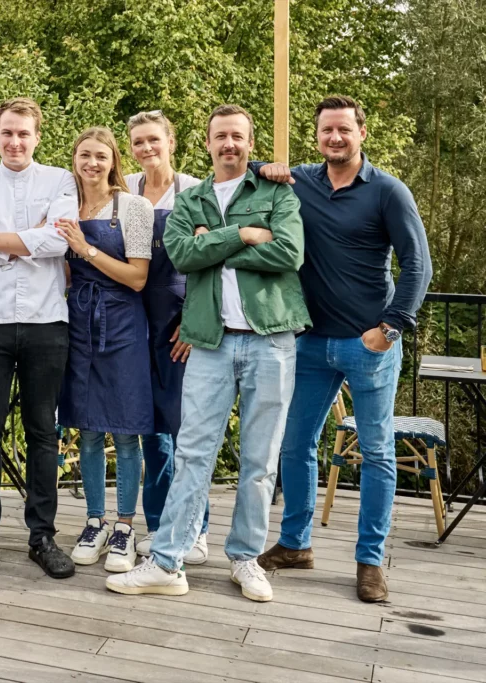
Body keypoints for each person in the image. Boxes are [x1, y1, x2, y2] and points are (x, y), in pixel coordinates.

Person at [106, 104, 310, 603]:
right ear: (206, 143)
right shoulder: (191, 200)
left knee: (260, 459)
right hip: (211, 342)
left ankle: (245, 559)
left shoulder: (276, 193)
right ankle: (168, 562)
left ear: (250, 141)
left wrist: (213, 245)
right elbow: (182, 255)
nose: (229, 145)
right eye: (220, 137)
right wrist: (241, 234)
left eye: (237, 137)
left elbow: (288, 253)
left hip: (272, 338)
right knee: (194, 453)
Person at [254, 95, 432, 603]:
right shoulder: (301, 182)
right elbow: (244, 170)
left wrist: (392, 326)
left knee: (375, 453)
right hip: (308, 341)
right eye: (326, 130)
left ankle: (370, 562)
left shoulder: (387, 191)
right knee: (295, 445)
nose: (335, 138)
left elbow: (418, 265)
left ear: (362, 133)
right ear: (318, 136)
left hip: (368, 344)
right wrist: (261, 166)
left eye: (343, 130)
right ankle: (295, 544)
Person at [0, 97, 78, 579]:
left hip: (48, 322)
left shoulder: (61, 182)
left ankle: (42, 537)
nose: (15, 141)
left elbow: (61, 242)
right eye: (7, 132)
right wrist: (27, 239)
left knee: (44, 433)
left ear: (37, 136)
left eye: (24, 133)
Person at [57, 127, 154, 573]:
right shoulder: (65, 206)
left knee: (126, 428)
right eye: (84, 155)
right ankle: (94, 520)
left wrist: (84, 248)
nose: (91, 163)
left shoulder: (134, 207)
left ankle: (125, 526)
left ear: (113, 161)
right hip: (79, 322)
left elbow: (137, 277)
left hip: (123, 322)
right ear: (74, 160)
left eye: (100, 156)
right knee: (89, 426)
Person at [123, 110, 211, 565]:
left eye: (153, 140)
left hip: (179, 321)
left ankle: (196, 527)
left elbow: (212, 263)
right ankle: (158, 525)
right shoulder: (125, 192)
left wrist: (196, 322)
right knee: (150, 430)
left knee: (186, 429)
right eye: (138, 142)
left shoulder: (195, 191)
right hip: (133, 321)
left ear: (171, 142)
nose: (146, 149)